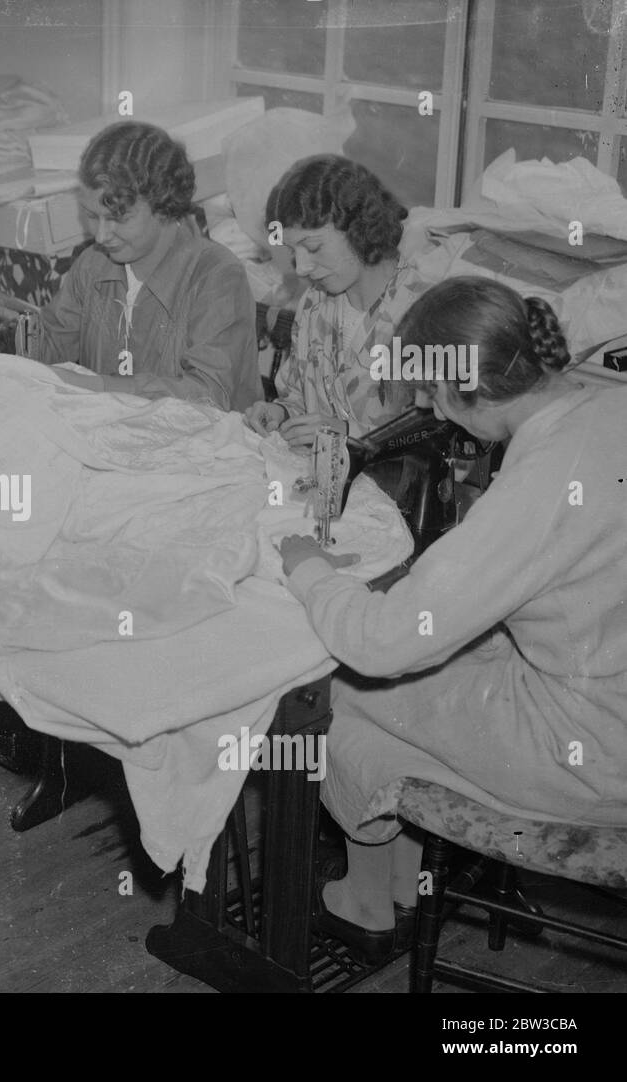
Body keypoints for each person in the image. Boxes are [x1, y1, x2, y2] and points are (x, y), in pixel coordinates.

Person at [277, 277, 627, 961]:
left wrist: (307, 567)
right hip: (608, 691)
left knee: (333, 689)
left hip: (594, 753)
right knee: (437, 664)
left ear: (469, 390)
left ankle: (369, 900)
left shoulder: (542, 481)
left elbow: (381, 643)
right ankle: (408, 880)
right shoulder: (606, 410)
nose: (434, 411)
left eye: (434, 396)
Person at [35, 121, 261, 413]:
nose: (101, 235)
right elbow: (48, 345)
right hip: (118, 438)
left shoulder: (217, 276)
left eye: (119, 218)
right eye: (92, 216)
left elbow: (207, 395)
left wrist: (100, 387)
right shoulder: (94, 264)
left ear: (163, 205)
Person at [245, 154, 441, 449]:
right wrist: (281, 413)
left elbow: (443, 437)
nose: (301, 268)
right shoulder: (315, 303)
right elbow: (299, 398)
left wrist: (352, 434)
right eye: (292, 251)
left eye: (313, 247)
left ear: (359, 229)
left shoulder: (429, 314)